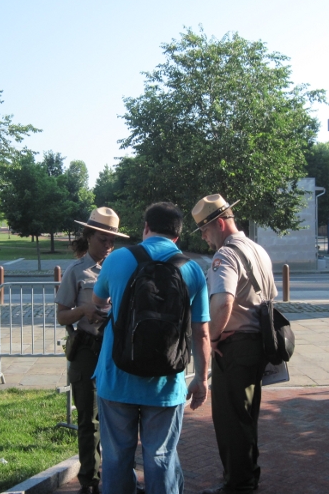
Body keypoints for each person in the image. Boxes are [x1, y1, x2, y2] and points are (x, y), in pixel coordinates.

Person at [92, 202, 211, 494]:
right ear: (178, 236)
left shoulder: (118, 258)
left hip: (117, 375)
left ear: (146, 228)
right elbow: (202, 332)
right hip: (166, 382)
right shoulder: (193, 270)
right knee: (161, 457)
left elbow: (98, 303)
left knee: (117, 456)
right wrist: (202, 378)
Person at [191, 194, 277, 494]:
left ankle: (238, 485)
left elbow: (223, 302)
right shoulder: (257, 250)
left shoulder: (225, 255)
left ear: (220, 223)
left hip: (235, 347)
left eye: (205, 230)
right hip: (258, 344)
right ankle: (248, 478)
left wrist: (211, 338)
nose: (204, 238)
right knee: (246, 418)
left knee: (230, 422)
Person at [55, 207, 129, 494]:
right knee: (89, 419)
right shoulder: (76, 272)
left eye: (112, 240)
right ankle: (90, 480)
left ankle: (119, 475)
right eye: (103, 239)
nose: (108, 245)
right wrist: (83, 310)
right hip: (87, 351)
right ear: (88, 237)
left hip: (116, 351)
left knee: (120, 417)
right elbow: (61, 316)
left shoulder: (122, 269)